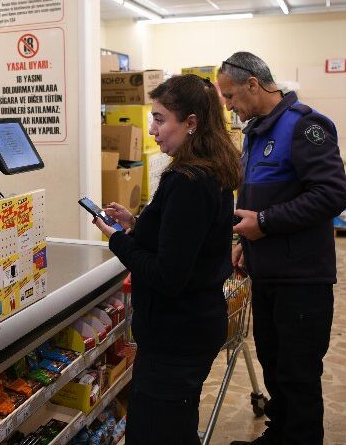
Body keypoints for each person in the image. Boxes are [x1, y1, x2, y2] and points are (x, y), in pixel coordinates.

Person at [92, 74, 243, 445]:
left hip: (176, 336)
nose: (152, 130)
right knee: (174, 427)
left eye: (160, 119)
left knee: (155, 432)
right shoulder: (210, 169)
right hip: (192, 328)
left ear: (191, 123)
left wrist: (117, 240)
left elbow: (168, 274)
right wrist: (138, 225)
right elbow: (188, 239)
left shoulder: (187, 180)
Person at [217, 52, 346, 445]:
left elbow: (331, 194)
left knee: (298, 373)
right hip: (269, 273)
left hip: (302, 279)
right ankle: (281, 434)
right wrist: (244, 240)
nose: (227, 105)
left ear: (253, 85)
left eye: (230, 95)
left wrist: (266, 223)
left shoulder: (304, 126)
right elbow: (258, 197)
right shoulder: (256, 132)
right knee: (274, 366)